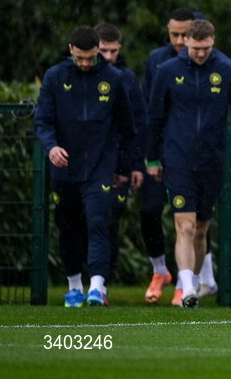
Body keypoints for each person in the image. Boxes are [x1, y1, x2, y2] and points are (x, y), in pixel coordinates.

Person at [145, 19, 231, 308]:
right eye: (195, 49)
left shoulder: (226, 69)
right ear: (187, 45)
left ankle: (192, 281)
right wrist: (153, 158)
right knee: (184, 224)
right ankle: (186, 288)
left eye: (206, 48)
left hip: (212, 160)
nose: (200, 54)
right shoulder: (168, 71)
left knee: (200, 229)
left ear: (213, 42)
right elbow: (155, 117)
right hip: (178, 158)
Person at [34, 26, 135, 307]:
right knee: (68, 226)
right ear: (71, 51)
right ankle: (74, 287)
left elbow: (127, 128)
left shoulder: (113, 79)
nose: (86, 63)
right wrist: (51, 146)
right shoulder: (56, 77)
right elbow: (43, 121)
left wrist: (122, 168)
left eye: (91, 58)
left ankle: (97, 287)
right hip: (65, 166)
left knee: (99, 222)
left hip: (100, 165)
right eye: (81, 58)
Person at [141, 7, 195, 305]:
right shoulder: (156, 60)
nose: (179, 39)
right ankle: (160, 270)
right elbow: (152, 112)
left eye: (184, 34)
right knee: (149, 211)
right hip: (159, 153)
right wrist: (151, 157)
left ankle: (186, 281)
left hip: (188, 157)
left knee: (191, 222)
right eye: (174, 34)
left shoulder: (206, 62)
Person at [94, 23, 147, 285]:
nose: (108, 57)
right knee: (82, 223)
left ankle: (102, 283)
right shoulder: (77, 76)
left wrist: (134, 165)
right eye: (103, 51)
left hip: (118, 163)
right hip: (87, 164)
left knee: (110, 221)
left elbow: (136, 125)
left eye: (113, 51)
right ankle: (83, 280)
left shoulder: (126, 79)